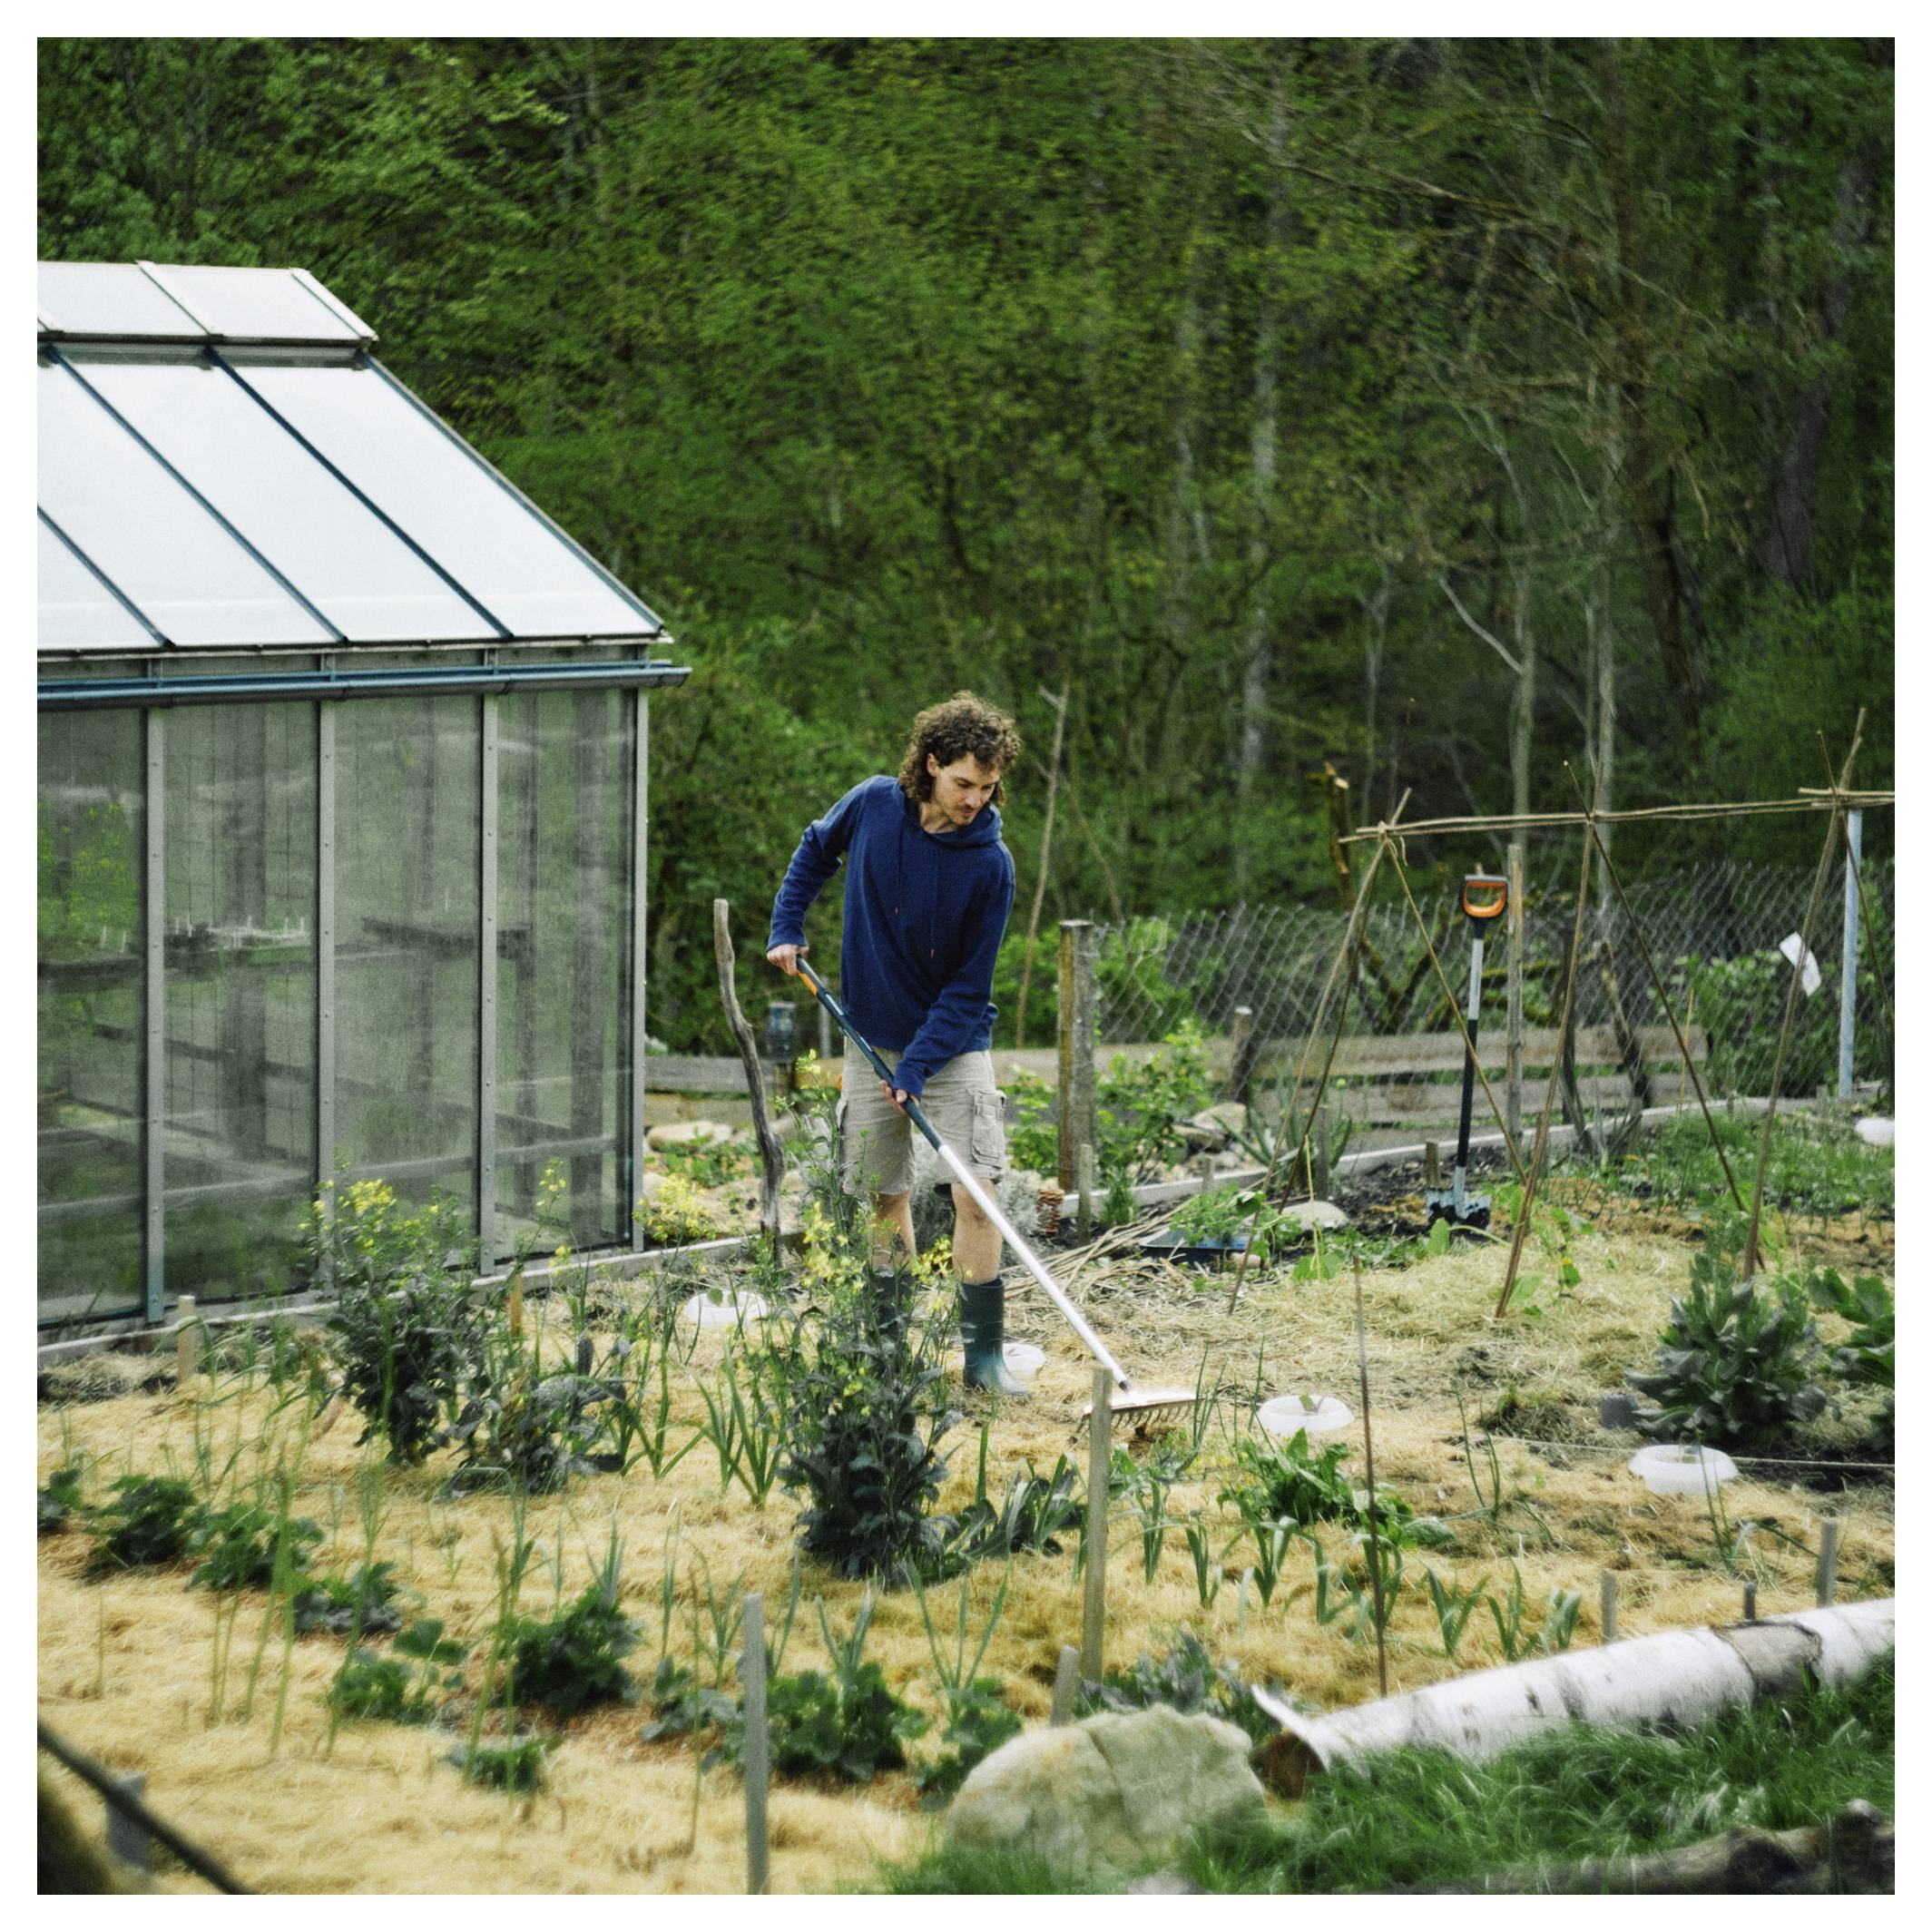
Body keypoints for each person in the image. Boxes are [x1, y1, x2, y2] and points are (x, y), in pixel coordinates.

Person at [766, 692, 1026, 1395]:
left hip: (951, 1045)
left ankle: (982, 1360)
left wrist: (916, 1066)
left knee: (975, 1192)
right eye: (963, 783)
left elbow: (969, 988)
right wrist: (785, 924)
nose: (975, 799)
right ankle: (890, 1346)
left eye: (988, 786)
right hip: (870, 1036)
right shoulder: (875, 804)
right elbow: (814, 849)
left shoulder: (990, 865)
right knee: (885, 1193)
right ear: (932, 764)